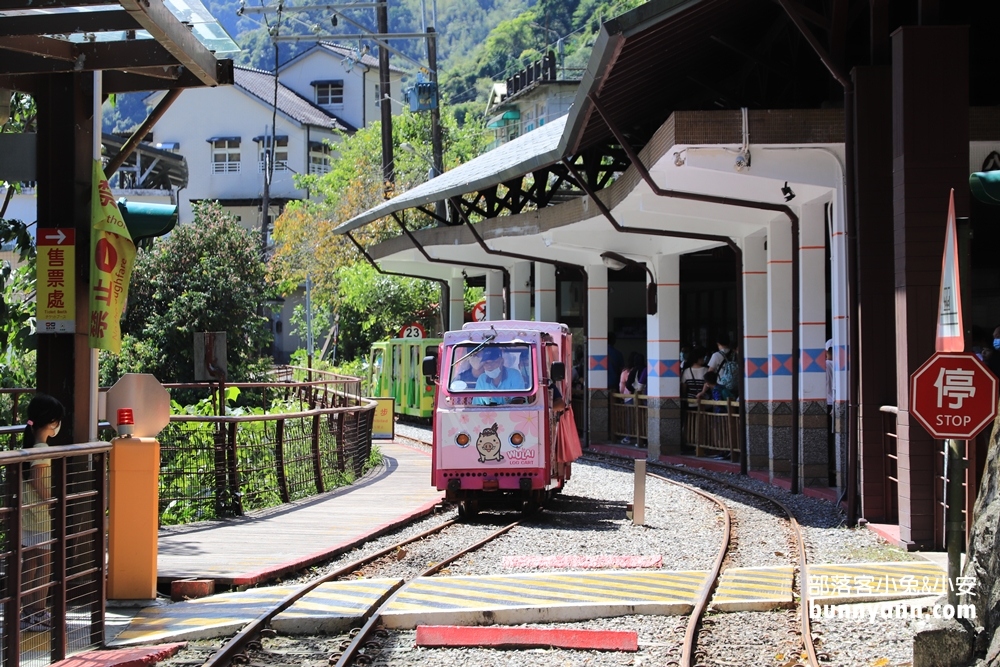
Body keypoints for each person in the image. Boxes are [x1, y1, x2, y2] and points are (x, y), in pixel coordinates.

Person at [20, 393, 64, 632]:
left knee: (30, 562)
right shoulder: (42, 449)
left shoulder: (28, 446)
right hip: (40, 515)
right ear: (51, 421)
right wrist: (53, 500)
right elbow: (38, 480)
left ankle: (28, 610)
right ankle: (38, 610)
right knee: (44, 563)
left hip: (27, 513)